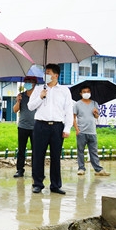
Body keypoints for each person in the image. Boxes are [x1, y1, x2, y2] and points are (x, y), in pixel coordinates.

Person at [27, 63, 74, 195]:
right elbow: (30, 106)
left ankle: (55, 185)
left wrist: (67, 128)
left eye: (48, 73)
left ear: (56, 75)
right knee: (38, 155)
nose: (45, 75)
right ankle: (38, 184)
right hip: (40, 125)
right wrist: (41, 96)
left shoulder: (64, 90)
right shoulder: (38, 89)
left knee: (55, 156)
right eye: (45, 73)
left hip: (57, 127)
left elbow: (68, 110)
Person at [73, 85, 110, 176]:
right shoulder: (77, 104)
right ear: (81, 93)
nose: (86, 93)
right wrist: (77, 129)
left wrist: (96, 113)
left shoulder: (94, 103)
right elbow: (73, 117)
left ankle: (98, 169)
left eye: (88, 91)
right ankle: (81, 168)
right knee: (80, 151)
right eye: (84, 92)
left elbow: (96, 117)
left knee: (93, 151)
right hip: (81, 131)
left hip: (92, 131)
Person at [12, 76, 38, 178]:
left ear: (34, 83)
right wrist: (18, 101)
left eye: (30, 81)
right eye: (26, 81)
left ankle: (35, 170)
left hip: (36, 127)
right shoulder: (21, 96)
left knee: (36, 150)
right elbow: (15, 110)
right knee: (21, 149)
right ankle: (20, 169)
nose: (28, 83)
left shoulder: (38, 96)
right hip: (23, 126)